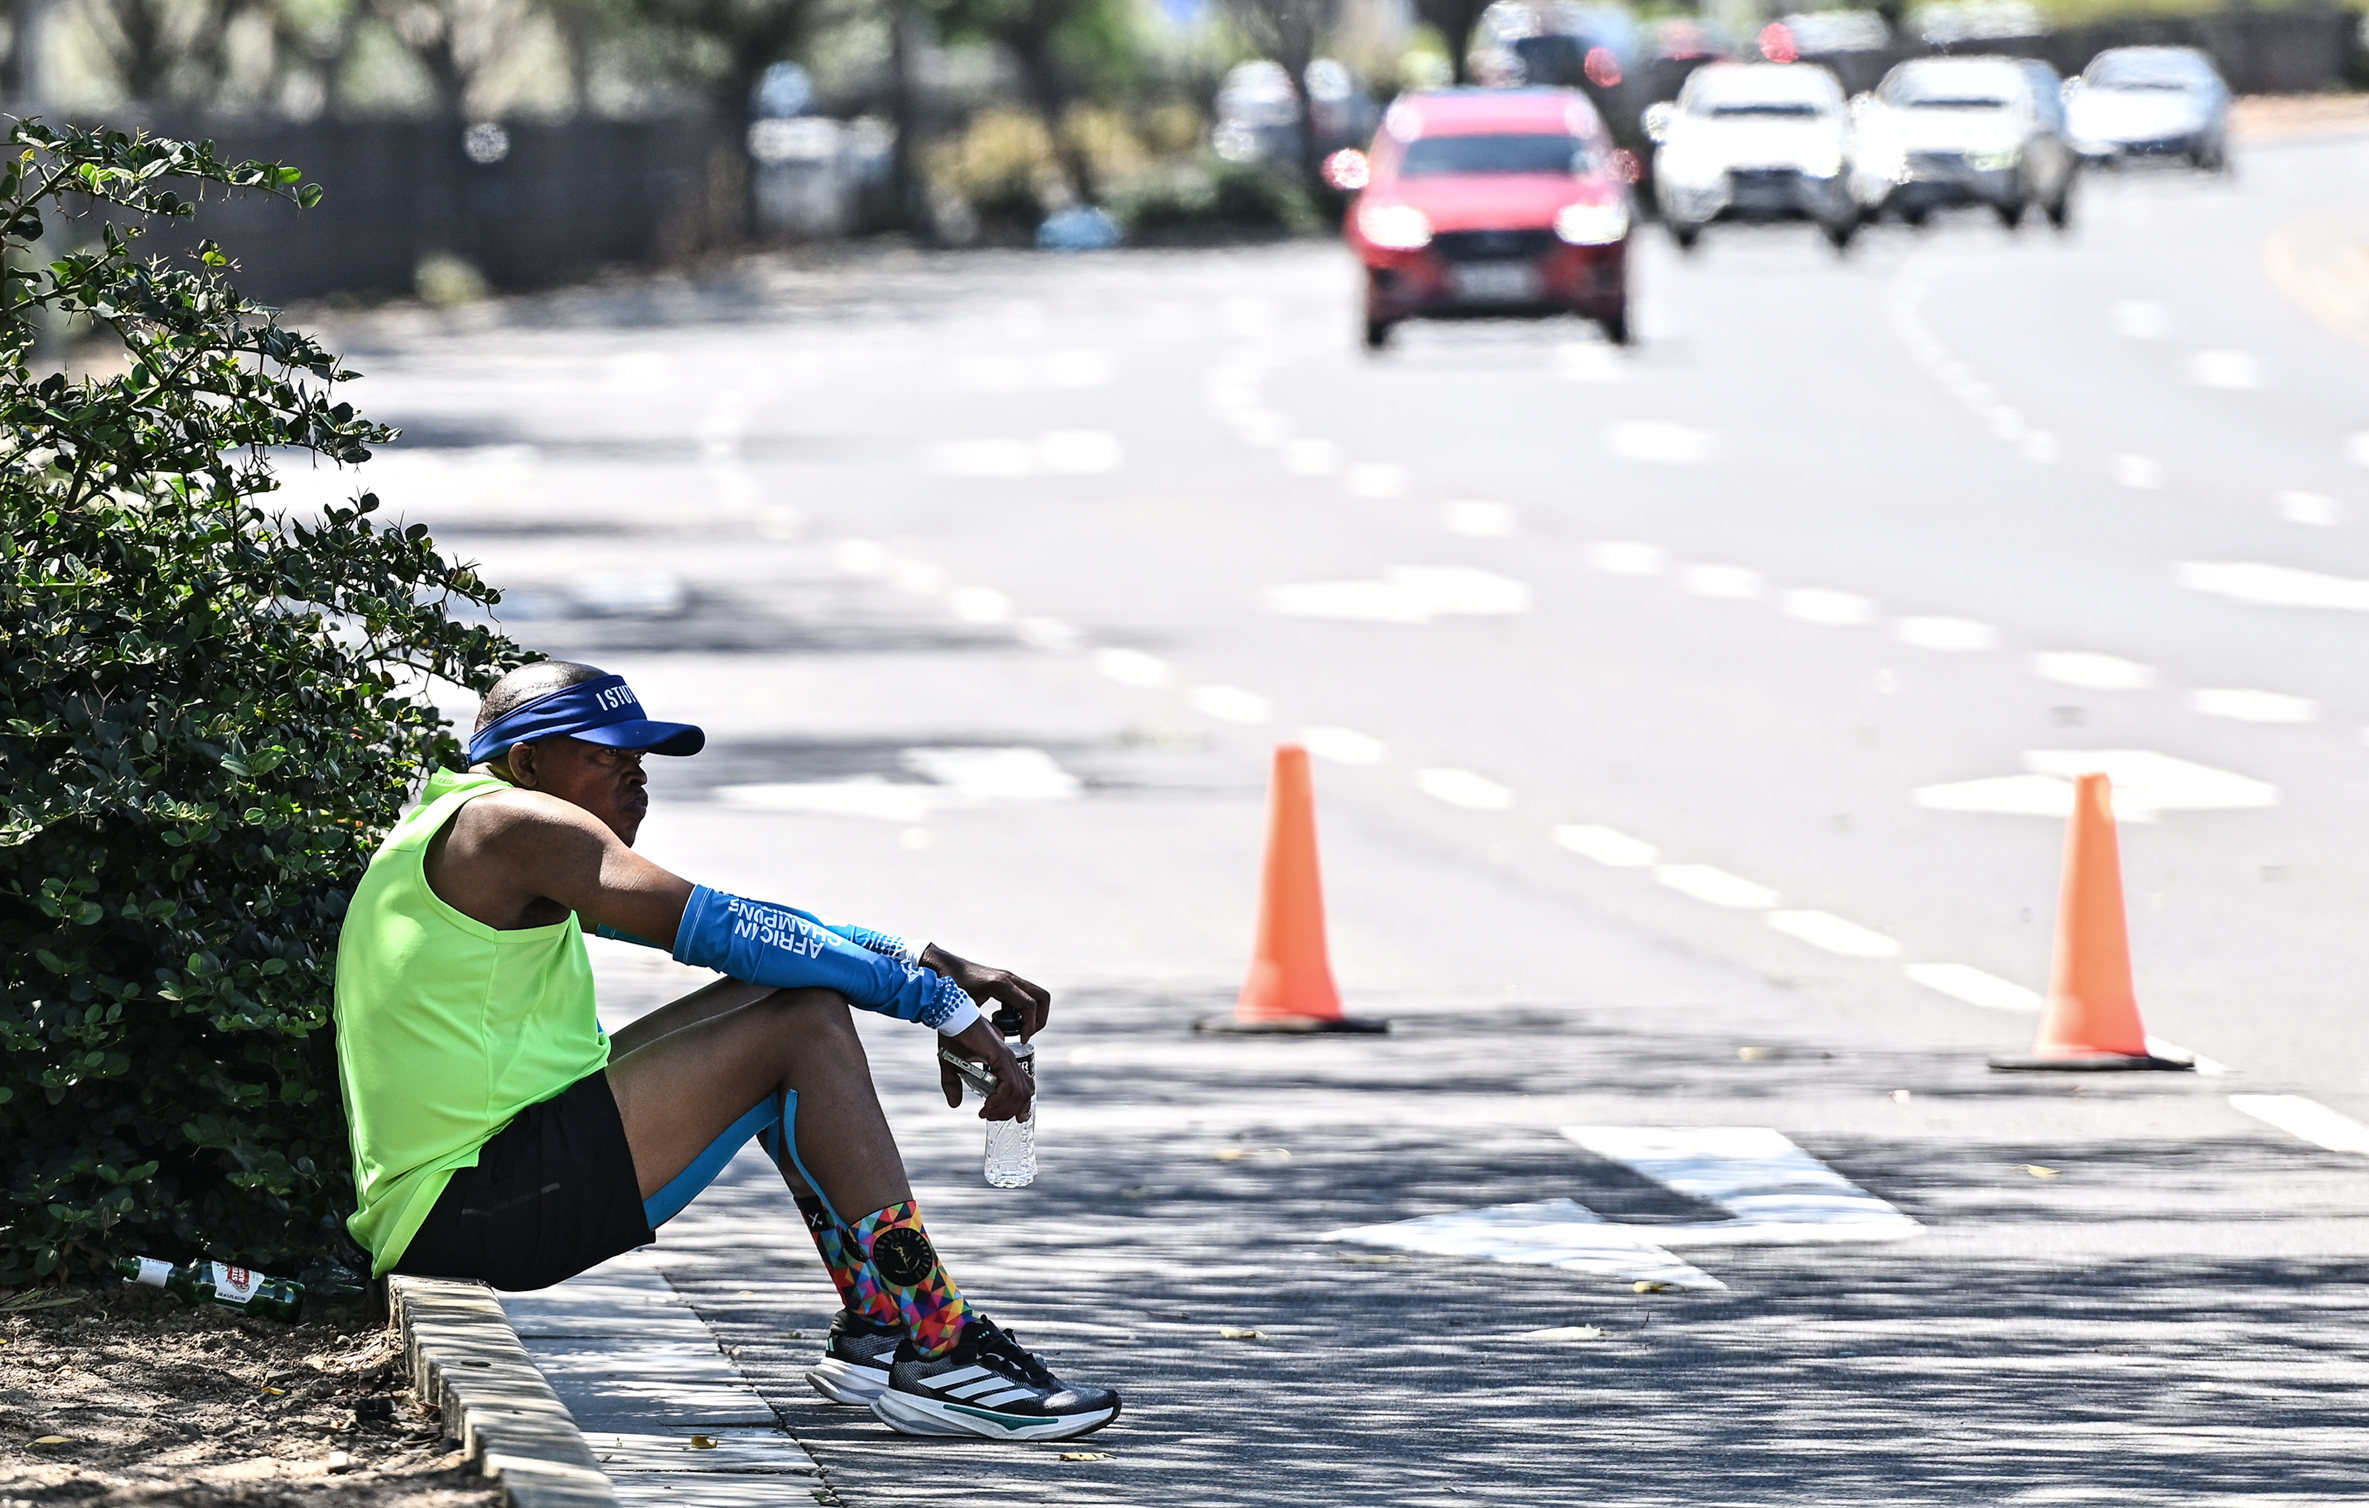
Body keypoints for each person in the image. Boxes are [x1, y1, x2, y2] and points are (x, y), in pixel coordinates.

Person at [332, 660, 1119, 1442]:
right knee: (799, 1027)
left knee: (788, 999)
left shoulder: (469, 825)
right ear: (527, 761)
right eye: (606, 757)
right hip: (472, 1209)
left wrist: (916, 954)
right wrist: (940, 1006)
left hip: (479, 1191)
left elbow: (755, 934)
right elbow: (721, 927)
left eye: (639, 761)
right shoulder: (516, 825)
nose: (635, 779)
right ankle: (941, 1345)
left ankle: (882, 1326)